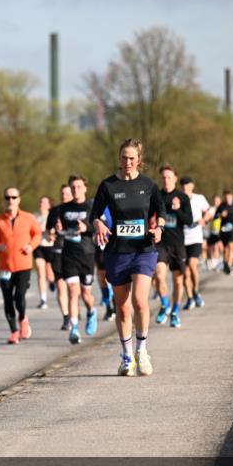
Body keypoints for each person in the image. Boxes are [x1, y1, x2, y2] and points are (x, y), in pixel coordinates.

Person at [91, 138, 165, 376]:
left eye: (132, 158)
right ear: (119, 158)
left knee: (140, 302)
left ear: (139, 160)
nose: (128, 162)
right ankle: (126, 356)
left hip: (143, 250)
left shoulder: (148, 185)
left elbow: (160, 211)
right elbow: (95, 214)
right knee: (122, 308)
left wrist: (159, 228)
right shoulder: (108, 186)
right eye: (124, 157)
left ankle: (142, 351)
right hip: (117, 251)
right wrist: (98, 225)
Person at [0, 187, 41, 344]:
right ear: (4, 200)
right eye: (7, 197)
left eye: (13, 197)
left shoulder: (28, 218)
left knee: (19, 296)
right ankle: (13, 331)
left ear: (19, 199)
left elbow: (37, 234)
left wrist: (31, 246)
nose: (10, 200)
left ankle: (23, 319)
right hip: (5, 266)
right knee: (7, 299)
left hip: (23, 264)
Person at [56, 174, 98, 344]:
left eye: (79, 187)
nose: (76, 190)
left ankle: (91, 311)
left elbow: (99, 228)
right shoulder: (63, 208)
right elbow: (55, 227)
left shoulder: (92, 207)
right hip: (69, 254)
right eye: (73, 187)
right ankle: (74, 328)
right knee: (73, 291)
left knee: (86, 294)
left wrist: (86, 227)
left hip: (87, 254)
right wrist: (57, 229)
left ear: (85, 188)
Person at [153, 166, 193, 328]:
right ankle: (165, 305)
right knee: (159, 275)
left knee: (178, 281)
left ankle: (175, 312)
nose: (166, 180)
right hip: (160, 243)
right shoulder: (156, 196)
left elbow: (189, 221)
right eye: (163, 177)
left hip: (177, 244)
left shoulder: (182, 197)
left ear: (175, 179)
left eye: (169, 177)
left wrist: (177, 210)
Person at [179, 176, 210, 308]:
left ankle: (196, 291)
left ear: (192, 186)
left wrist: (204, 219)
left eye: (187, 184)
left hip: (195, 237)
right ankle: (190, 297)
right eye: (183, 185)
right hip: (182, 238)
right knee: (185, 272)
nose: (185, 187)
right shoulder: (178, 199)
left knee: (192, 265)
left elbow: (208, 212)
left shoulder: (199, 198)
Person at [47, 184, 74, 330]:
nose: (64, 196)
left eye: (67, 193)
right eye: (62, 193)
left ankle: (73, 311)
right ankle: (66, 317)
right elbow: (47, 231)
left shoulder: (77, 210)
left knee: (73, 287)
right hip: (57, 251)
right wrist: (52, 233)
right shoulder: (55, 211)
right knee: (60, 286)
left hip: (75, 251)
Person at [33, 195, 55, 309]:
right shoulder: (34, 216)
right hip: (38, 246)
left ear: (49, 204)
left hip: (50, 246)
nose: (42, 204)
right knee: (40, 271)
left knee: (49, 272)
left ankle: (52, 281)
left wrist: (51, 234)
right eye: (41, 202)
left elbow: (56, 232)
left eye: (45, 202)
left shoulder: (52, 215)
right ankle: (43, 299)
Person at [214, 190, 233, 275]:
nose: (228, 198)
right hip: (223, 229)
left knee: (231, 246)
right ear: (224, 198)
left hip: (232, 229)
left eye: (229, 197)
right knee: (225, 248)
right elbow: (215, 216)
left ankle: (228, 265)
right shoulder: (221, 206)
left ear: (232, 197)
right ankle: (225, 263)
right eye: (226, 197)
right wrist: (221, 215)